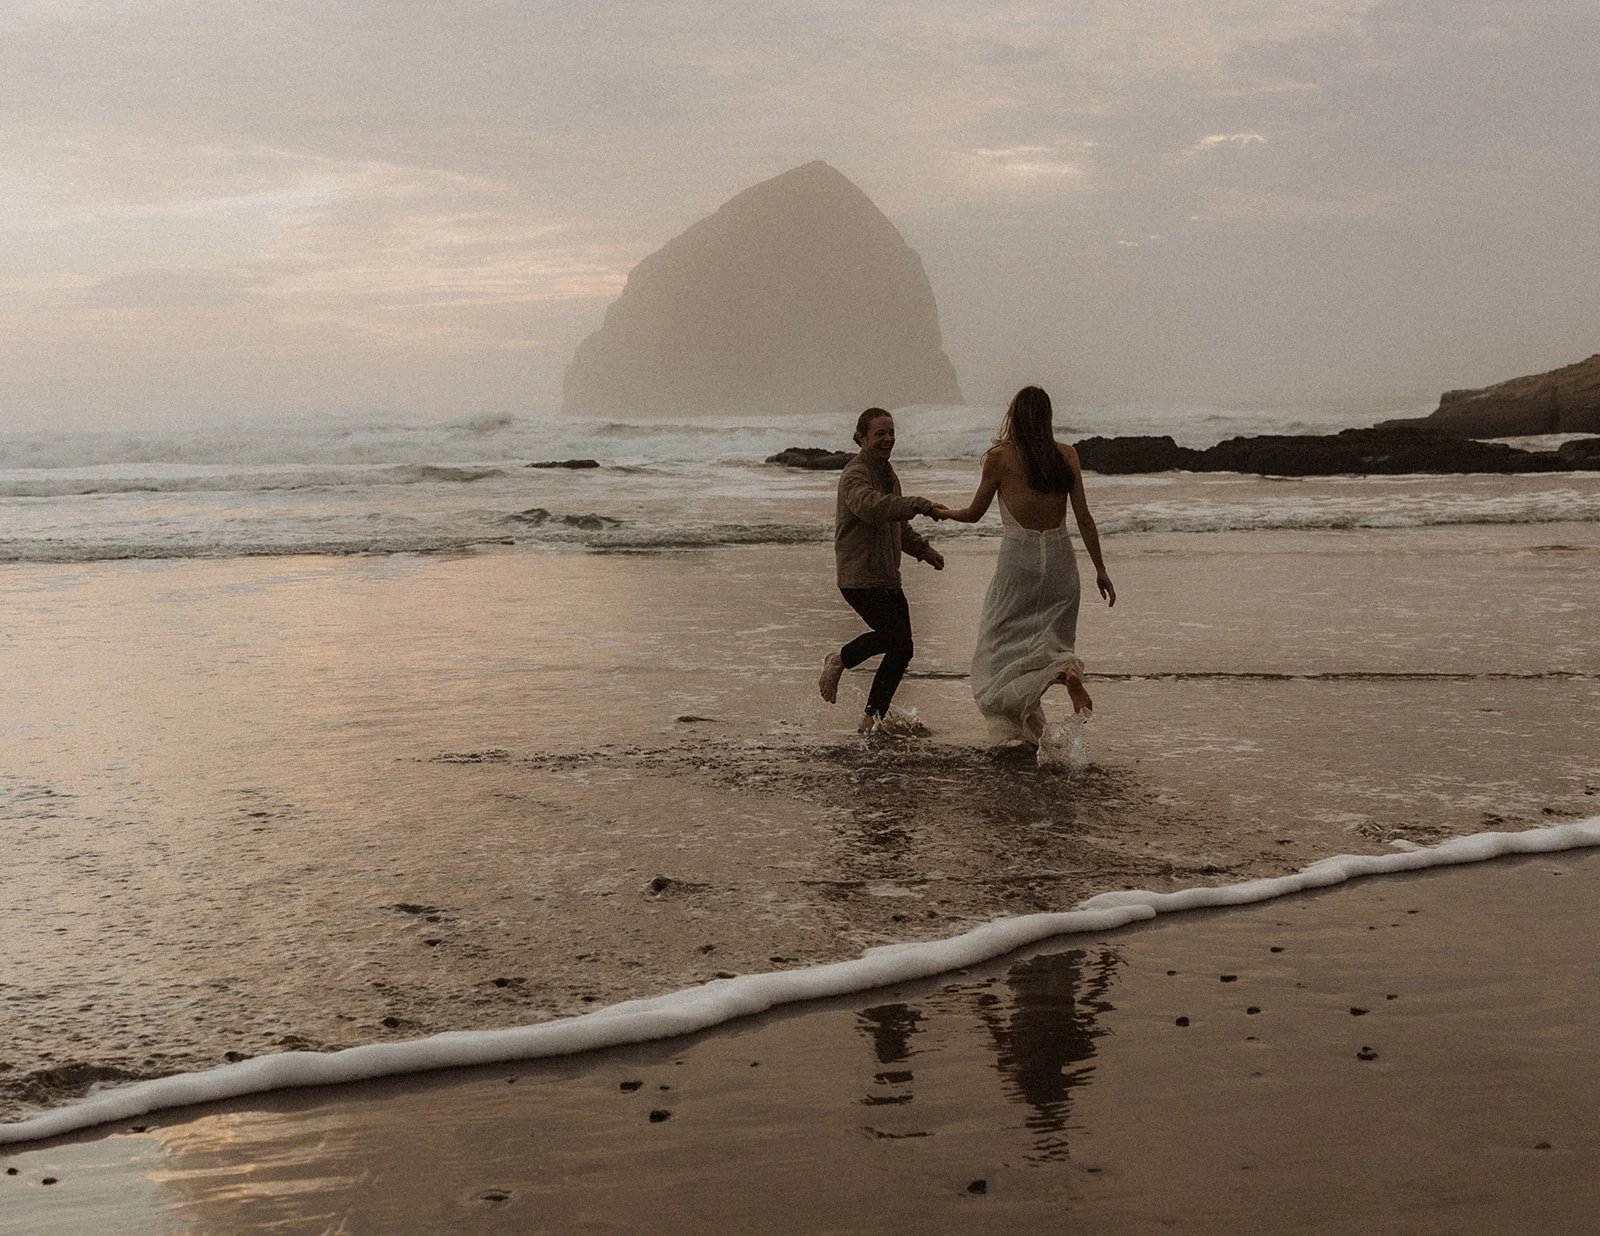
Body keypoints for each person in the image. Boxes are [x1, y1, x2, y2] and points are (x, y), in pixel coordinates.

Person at [933, 386, 1115, 745]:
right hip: (1061, 559)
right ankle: (1066, 672)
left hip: (1019, 559)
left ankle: (1015, 723)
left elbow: (973, 514)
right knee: (1053, 641)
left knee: (997, 644)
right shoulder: (1066, 455)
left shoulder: (999, 458)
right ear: (1047, 418)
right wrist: (1101, 570)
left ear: (1014, 416)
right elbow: (1085, 519)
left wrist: (942, 513)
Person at [818, 408, 945, 734]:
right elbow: (871, 508)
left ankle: (870, 718)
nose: (888, 439)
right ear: (861, 438)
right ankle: (840, 659)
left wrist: (923, 550)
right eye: (880, 434)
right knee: (894, 638)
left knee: (903, 649)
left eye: (891, 432)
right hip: (859, 576)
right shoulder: (854, 475)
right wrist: (917, 503)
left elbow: (896, 524)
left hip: (887, 576)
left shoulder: (890, 475)